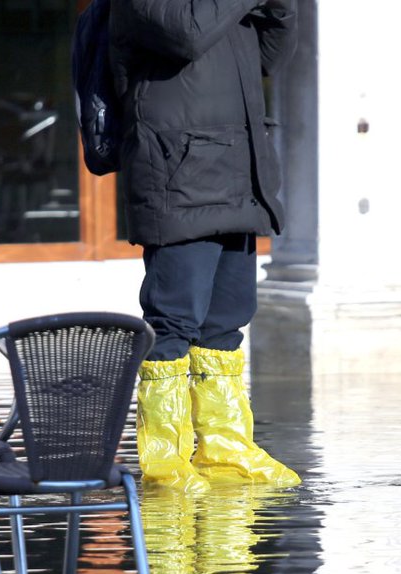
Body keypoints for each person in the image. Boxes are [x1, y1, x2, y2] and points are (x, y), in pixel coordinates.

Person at [109, 0, 300, 493]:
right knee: (174, 321)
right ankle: (165, 458)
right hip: (178, 177)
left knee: (227, 322)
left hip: (238, 174)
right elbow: (187, 34)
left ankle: (224, 446)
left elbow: (269, 59)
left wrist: (281, 10)